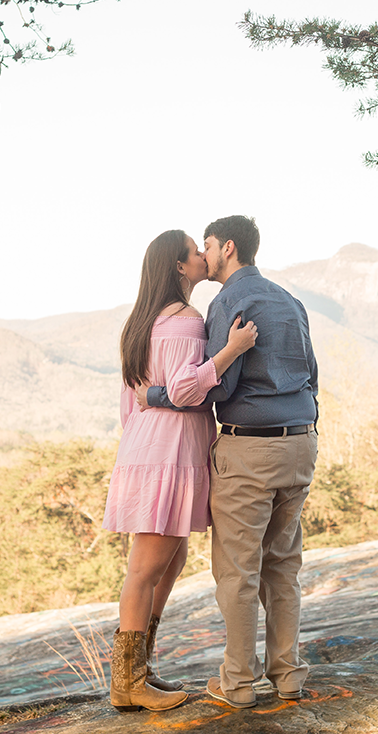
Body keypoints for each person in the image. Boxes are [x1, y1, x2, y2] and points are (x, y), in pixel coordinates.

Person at [142, 215, 318, 709]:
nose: (205, 252)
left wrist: (155, 394)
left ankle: (239, 683)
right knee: (283, 565)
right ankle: (289, 676)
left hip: (251, 449)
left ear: (229, 248)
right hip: (301, 443)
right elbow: (313, 376)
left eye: (210, 245)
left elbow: (215, 387)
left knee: (239, 571)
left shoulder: (228, 304)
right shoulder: (291, 301)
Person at [103, 229, 258, 713]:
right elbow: (188, 390)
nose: (201, 257)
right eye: (194, 251)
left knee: (166, 563)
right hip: (169, 453)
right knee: (146, 570)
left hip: (151, 449)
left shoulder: (144, 322)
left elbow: (134, 402)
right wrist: (232, 350)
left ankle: (139, 671)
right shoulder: (185, 321)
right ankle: (127, 682)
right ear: (178, 266)